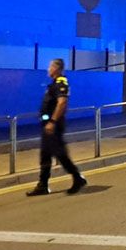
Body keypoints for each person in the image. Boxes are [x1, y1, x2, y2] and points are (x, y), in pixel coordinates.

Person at [27, 58, 86, 196]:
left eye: (50, 67)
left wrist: (52, 122)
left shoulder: (61, 83)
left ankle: (77, 178)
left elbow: (62, 102)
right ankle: (43, 185)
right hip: (48, 125)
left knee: (60, 154)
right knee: (45, 155)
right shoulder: (53, 84)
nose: (48, 69)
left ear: (57, 68)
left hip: (53, 126)